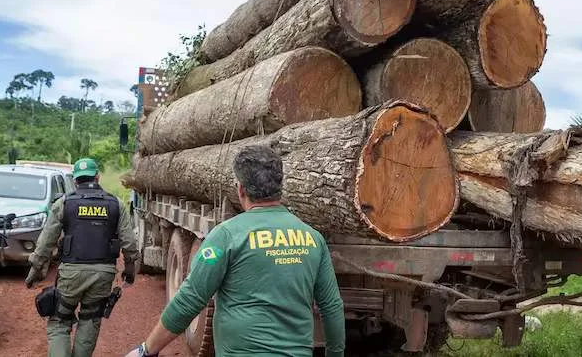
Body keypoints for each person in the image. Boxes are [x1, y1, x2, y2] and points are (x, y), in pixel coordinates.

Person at [125, 146, 345, 357]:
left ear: (240, 189)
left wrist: (148, 349)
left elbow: (190, 299)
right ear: (280, 186)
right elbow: (332, 306)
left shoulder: (226, 236)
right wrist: (335, 354)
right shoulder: (313, 238)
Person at [25, 157, 138, 357]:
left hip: (71, 272)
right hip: (104, 273)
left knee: (59, 319)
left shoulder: (64, 203)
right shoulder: (116, 204)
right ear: (97, 177)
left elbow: (46, 243)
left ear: (75, 181)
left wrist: (35, 269)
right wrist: (130, 270)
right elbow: (129, 243)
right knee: (90, 319)